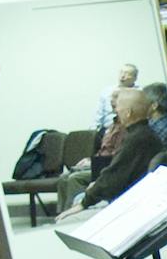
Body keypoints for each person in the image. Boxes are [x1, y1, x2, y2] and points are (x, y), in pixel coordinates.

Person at [56, 86, 158, 216]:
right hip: (132, 196)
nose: (115, 111)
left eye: (117, 107)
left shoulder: (136, 139)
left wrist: (85, 202)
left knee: (73, 208)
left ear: (128, 113)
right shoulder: (145, 134)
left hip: (128, 203)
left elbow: (115, 176)